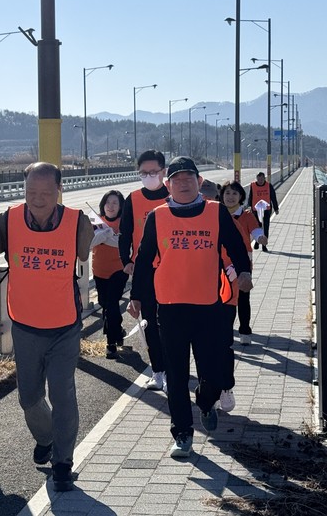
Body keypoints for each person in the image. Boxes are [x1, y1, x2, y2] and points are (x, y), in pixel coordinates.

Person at [127, 157, 252, 459]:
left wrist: (244, 272)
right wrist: (136, 296)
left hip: (209, 306)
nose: (183, 183)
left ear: (199, 181)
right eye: (177, 179)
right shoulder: (158, 216)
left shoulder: (216, 212)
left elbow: (236, 246)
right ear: (168, 185)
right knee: (176, 374)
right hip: (170, 308)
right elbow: (144, 259)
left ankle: (206, 402)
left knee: (212, 374)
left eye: (188, 178)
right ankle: (182, 432)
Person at [0, 162, 94, 492]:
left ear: (59, 190)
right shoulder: (6, 221)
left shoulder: (77, 222)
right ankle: (46, 437)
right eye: (30, 191)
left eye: (45, 193)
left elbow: (91, 249)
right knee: (29, 398)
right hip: (25, 325)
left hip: (64, 327)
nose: (37, 199)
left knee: (62, 393)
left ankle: (63, 462)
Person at [118, 149, 169, 391]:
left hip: (172, 268)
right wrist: (125, 260)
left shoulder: (173, 195)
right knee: (148, 320)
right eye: (143, 172)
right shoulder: (133, 199)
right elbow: (125, 232)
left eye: (153, 172)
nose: (148, 176)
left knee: (169, 322)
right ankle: (158, 371)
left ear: (163, 171)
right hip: (144, 270)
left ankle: (173, 369)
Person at [216, 180, 267, 414]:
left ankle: (244, 329)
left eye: (234, 194)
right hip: (220, 265)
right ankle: (227, 331)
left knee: (243, 298)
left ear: (240, 197)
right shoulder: (215, 213)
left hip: (242, 263)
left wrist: (260, 237)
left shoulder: (245, 216)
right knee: (225, 300)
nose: (230, 197)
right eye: (227, 193)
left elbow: (256, 231)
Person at [90, 190, 128, 360]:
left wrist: (103, 236)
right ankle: (118, 331)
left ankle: (111, 344)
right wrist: (107, 234)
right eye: (108, 202)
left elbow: (122, 244)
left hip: (118, 270)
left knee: (111, 305)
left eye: (115, 203)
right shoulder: (95, 220)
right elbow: (89, 243)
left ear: (120, 206)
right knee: (105, 304)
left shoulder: (125, 222)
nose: (110, 206)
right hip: (99, 270)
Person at [246, 172, 279, 252]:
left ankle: (264, 245)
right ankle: (257, 242)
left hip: (266, 210)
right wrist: (249, 206)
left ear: (264, 178)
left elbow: (273, 197)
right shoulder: (253, 186)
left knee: (265, 227)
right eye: (258, 179)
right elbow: (250, 197)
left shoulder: (269, 186)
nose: (260, 181)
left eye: (262, 179)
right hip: (255, 210)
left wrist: (276, 208)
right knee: (257, 227)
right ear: (256, 178)